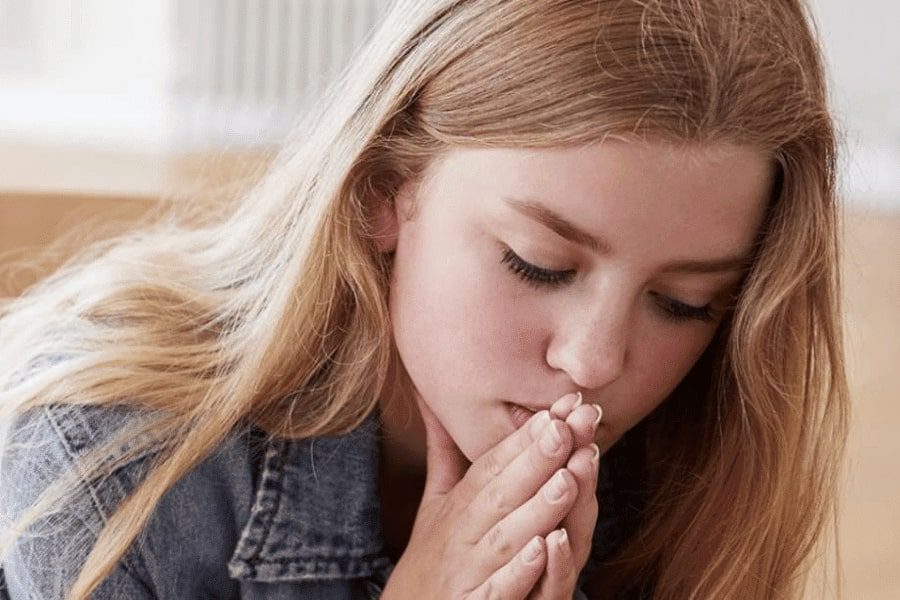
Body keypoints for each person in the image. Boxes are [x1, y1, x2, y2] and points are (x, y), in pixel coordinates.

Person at [0, 0, 850, 598]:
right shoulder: (110, 457)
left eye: (685, 304)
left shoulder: (685, 479)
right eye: (538, 264)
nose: (594, 361)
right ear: (381, 188)